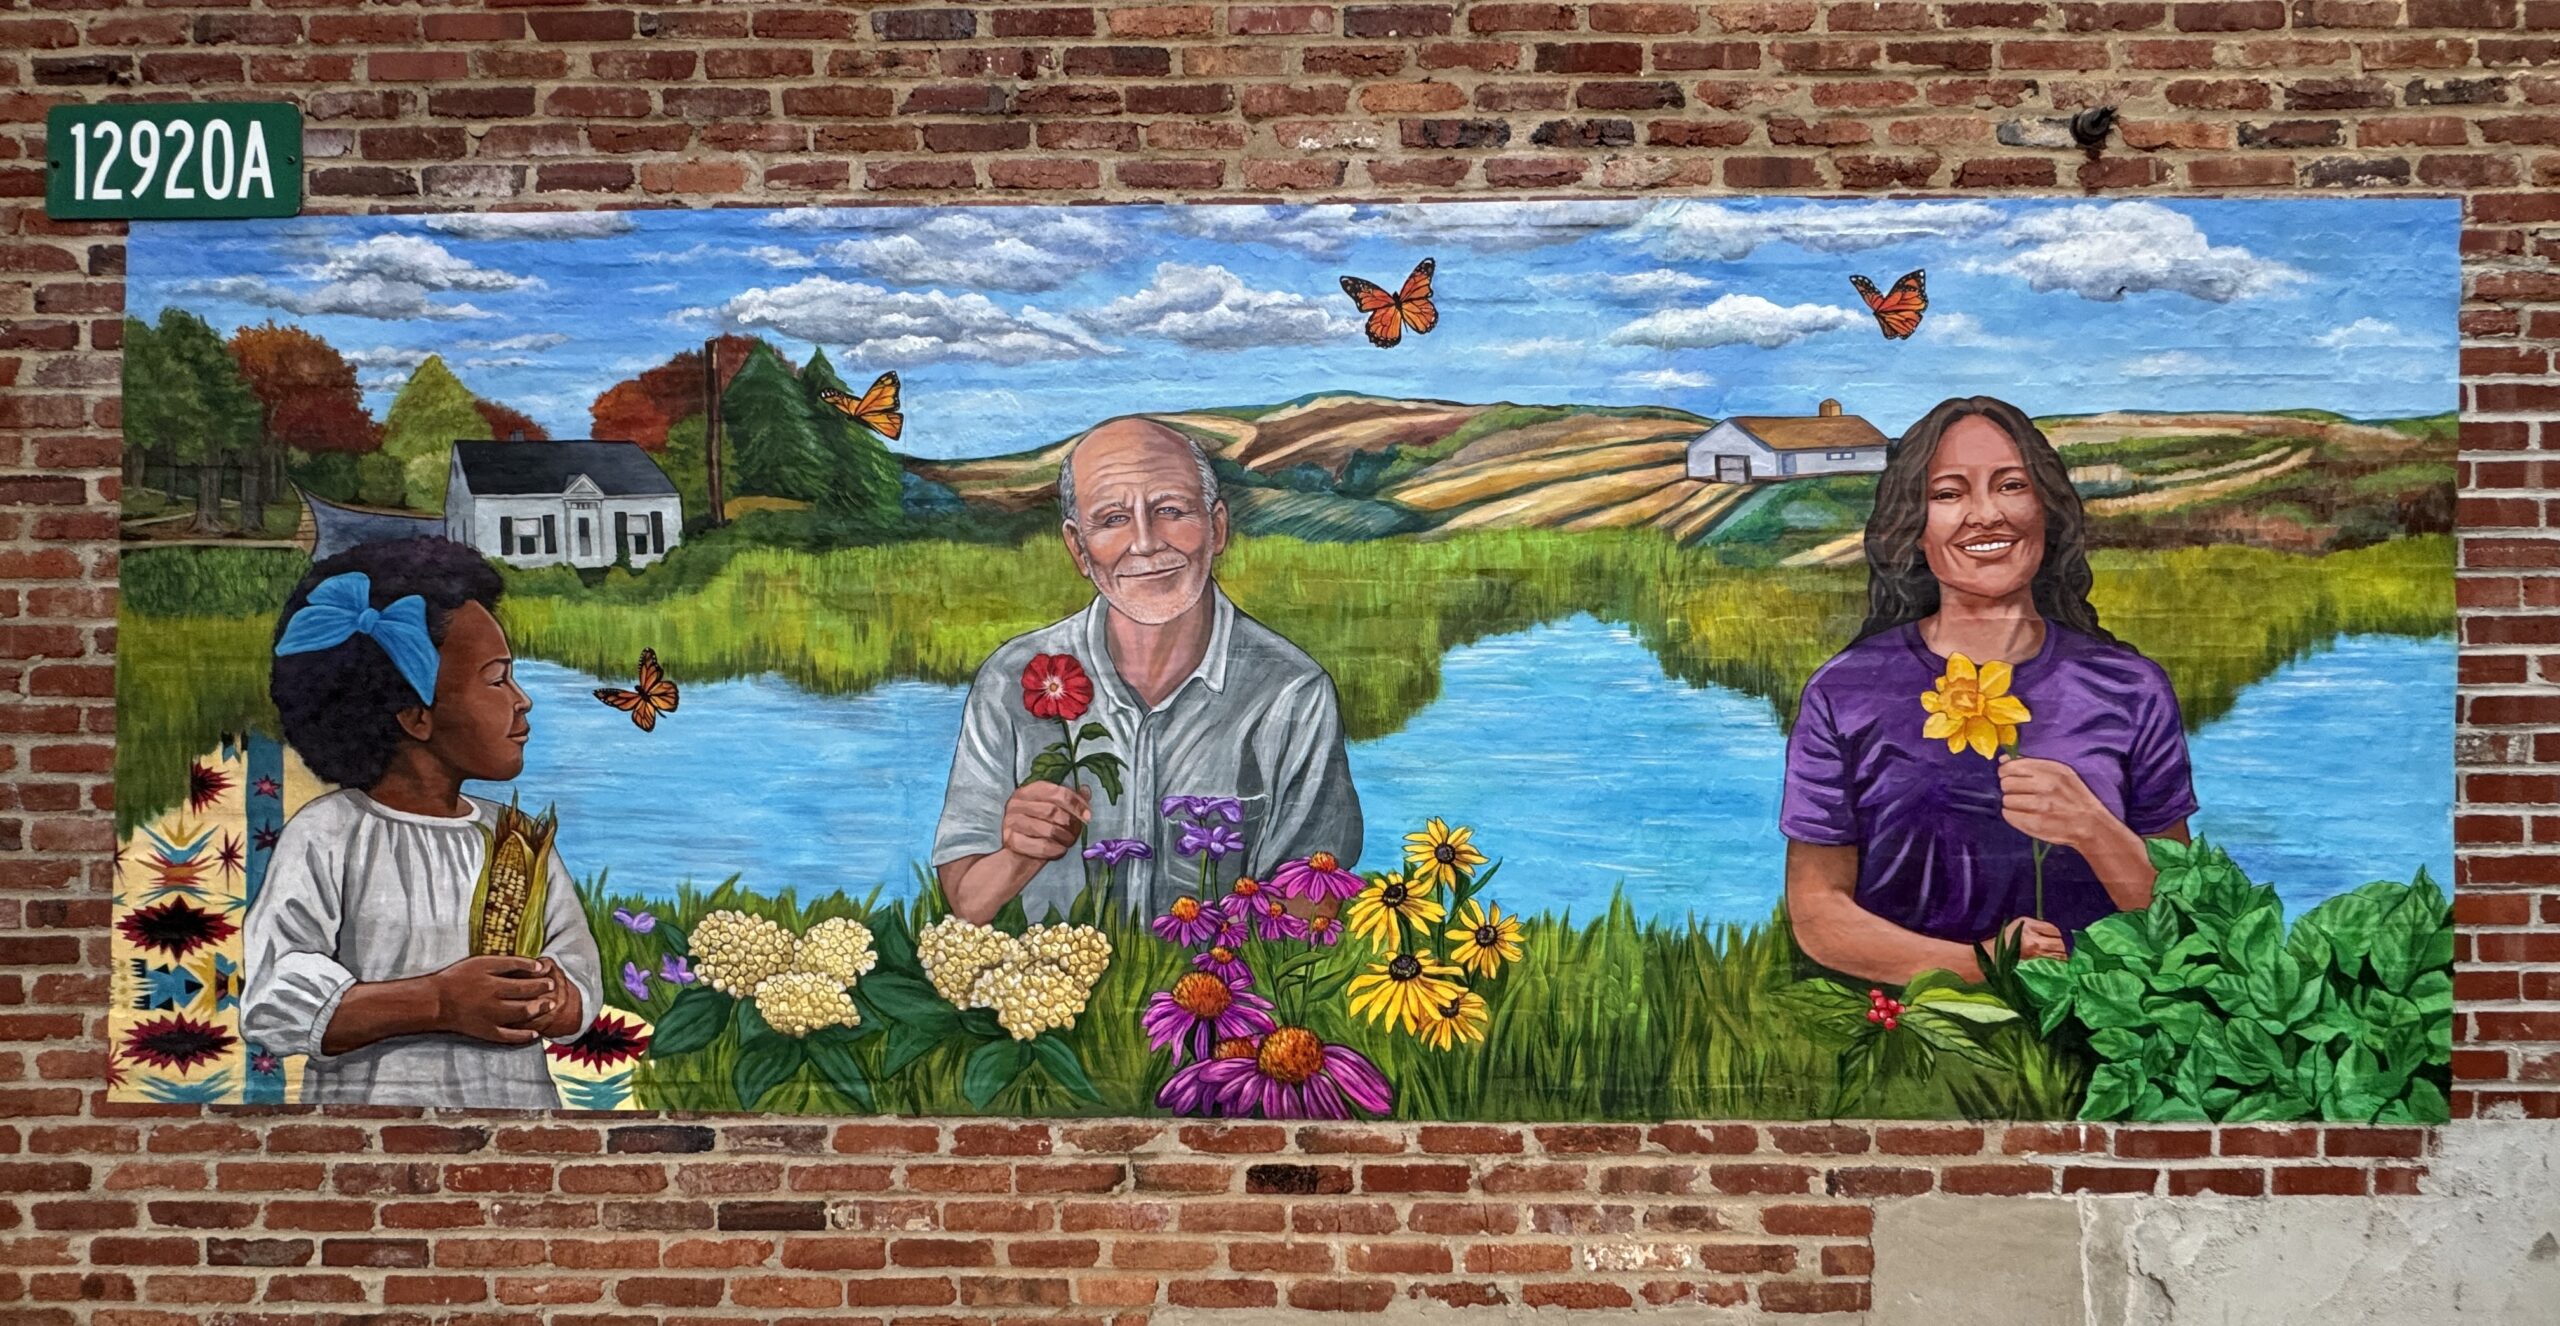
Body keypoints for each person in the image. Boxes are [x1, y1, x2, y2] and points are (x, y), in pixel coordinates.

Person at [1780, 396, 2197, 985]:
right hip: (1914, 1033)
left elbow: (2183, 912)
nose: (1985, 515)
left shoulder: (2131, 686)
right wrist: (1981, 964)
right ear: (1915, 528)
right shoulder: (1844, 690)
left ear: (2046, 511)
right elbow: (1818, 916)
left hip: (2108, 1029)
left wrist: (2092, 827)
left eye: (2011, 486)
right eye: (1949, 494)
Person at [933, 417, 1363, 924]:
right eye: (1113, 519)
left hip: (1224, 997)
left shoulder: (1293, 691)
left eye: (1170, 510)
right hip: (1055, 997)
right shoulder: (1012, 677)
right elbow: (966, 903)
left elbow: (1309, 915)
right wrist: (1020, 854)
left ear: (1217, 527)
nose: (1144, 542)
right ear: (1077, 548)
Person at [240, 538, 603, 1107]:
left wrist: (556, 997)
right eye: (497, 679)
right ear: (415, 714)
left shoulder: (515, 838)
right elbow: (274, 995)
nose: (523, 700)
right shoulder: (331, 834)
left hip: (519, 1121)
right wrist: (437, 1002)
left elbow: (577, 969)